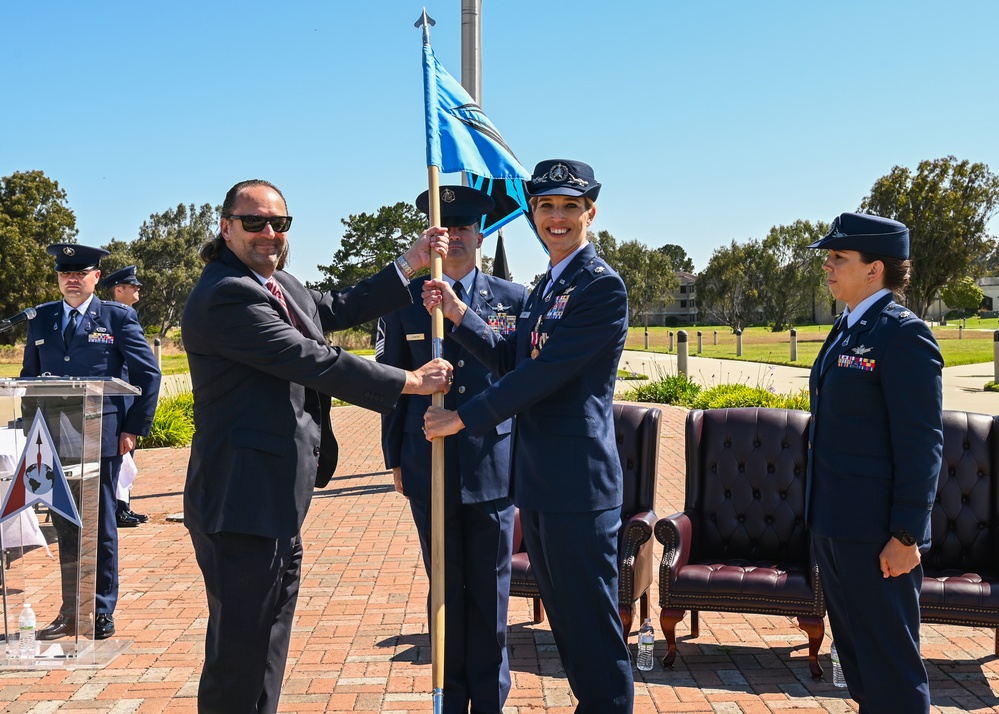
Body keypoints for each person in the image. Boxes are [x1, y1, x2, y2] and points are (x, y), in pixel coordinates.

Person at [181, 178, 453, 714]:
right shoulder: (225, 295)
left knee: (268, 641)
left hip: (275, 498)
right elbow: (309, 358)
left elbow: (337, 305)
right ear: (226, 226)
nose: (269, 233)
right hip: (240, 500)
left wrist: (411, 262)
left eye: (279, 223)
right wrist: (409, 382)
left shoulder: (279, 284)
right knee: (239, 652)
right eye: (255, 222)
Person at [423, 160, 634, 713]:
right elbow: (510, 356)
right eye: (545, 207)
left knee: (592, 631)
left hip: (578, 489)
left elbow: (542, 376)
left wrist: (464, 418)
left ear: (590, 212)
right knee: (569, 631)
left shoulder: (599, 287)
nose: (556, 217)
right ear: (533, 215)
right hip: (540, 485)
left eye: (569, 206)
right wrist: (459, 311)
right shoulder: (547, 285)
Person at [376, 185, 529, 714]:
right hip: (428, 465)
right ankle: (451, 697)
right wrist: (394, 457)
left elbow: (521, 375)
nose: (456, 235)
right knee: (444, 586)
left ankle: (489, 701)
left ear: (481, 234)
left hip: (493, 466)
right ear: (432, 236)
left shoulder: (514, 300)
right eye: (447, 226)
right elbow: (390, 383)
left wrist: (463, 315)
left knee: (489, 595)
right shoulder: (405, 303)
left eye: (466, 226)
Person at [807, 212, 943, 712]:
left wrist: (907, 534)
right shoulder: (847, 328)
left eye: (839, 258)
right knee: (862, 667)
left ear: (874, 269)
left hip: (877, 534)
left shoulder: (902, 334)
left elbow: (922, 441)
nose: (828, 266)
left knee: (892, 669)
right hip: (835, 526)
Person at [22, 244, 162, 641]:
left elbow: (147, 375)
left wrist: (133, 429)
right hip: (52, 438)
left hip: (101, 438)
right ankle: (71, 609)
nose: (71, 279)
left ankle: (99, 609)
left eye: (80, 273)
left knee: (98, 529)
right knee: (66, 527)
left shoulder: (116, 317)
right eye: (64, 273)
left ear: (96, 277)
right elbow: (30, 378)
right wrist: (30, 432)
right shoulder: (43, 319)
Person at [99, 265, 147, 528]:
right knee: (119, 458)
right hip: (116, 397)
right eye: (133, 286)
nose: (138, 289)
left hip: (128, 395)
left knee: (127, 456)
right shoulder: (110, 317)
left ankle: (124, 506)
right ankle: (118, 509)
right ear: (119, 289)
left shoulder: (127, 315)